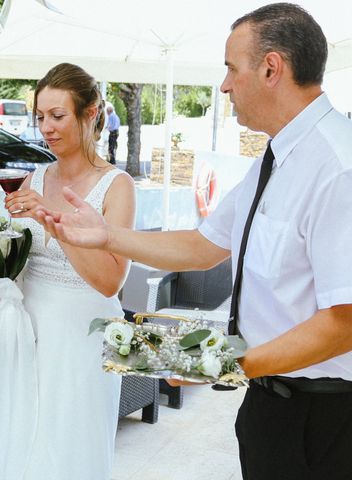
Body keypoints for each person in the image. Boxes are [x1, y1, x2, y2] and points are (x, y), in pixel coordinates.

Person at [38, 4, 352, 480]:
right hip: (272, 406)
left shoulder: (338, 166)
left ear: (271, 68)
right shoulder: (278, 155)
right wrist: (108, 237)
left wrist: (218, 363)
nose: (224, 85)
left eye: (230, 68)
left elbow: (344, 321)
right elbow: (205, 245)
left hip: (326, 421)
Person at [0, 63, 136, 479]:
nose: (46, 127)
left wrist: (53, 217)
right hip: (25, 328)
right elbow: (22, 252)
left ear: (90, 113)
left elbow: (110, 281)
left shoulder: (117, 186)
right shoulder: (35, 176)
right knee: (16, 447)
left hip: (83, 334)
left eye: (58, 116)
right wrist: (0, 279)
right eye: (40, 117)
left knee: (68, 450)